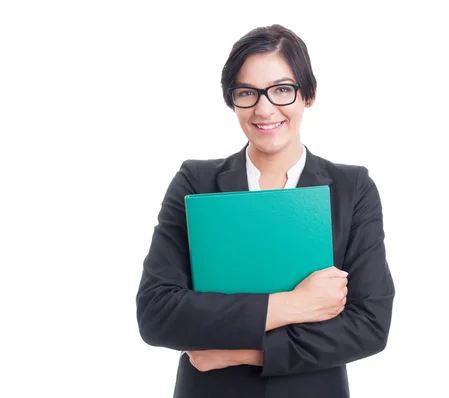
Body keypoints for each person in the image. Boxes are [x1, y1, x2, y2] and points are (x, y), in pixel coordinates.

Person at [136, 24, 395, 398]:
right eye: (247, 93)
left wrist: (242, 352)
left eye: (282, 90)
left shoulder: (351, 189)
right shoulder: (196, 182)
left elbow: (369, 325)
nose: (264, 108)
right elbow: (158, 313)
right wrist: (295, 304)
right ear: (232, 100)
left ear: (308, 95)